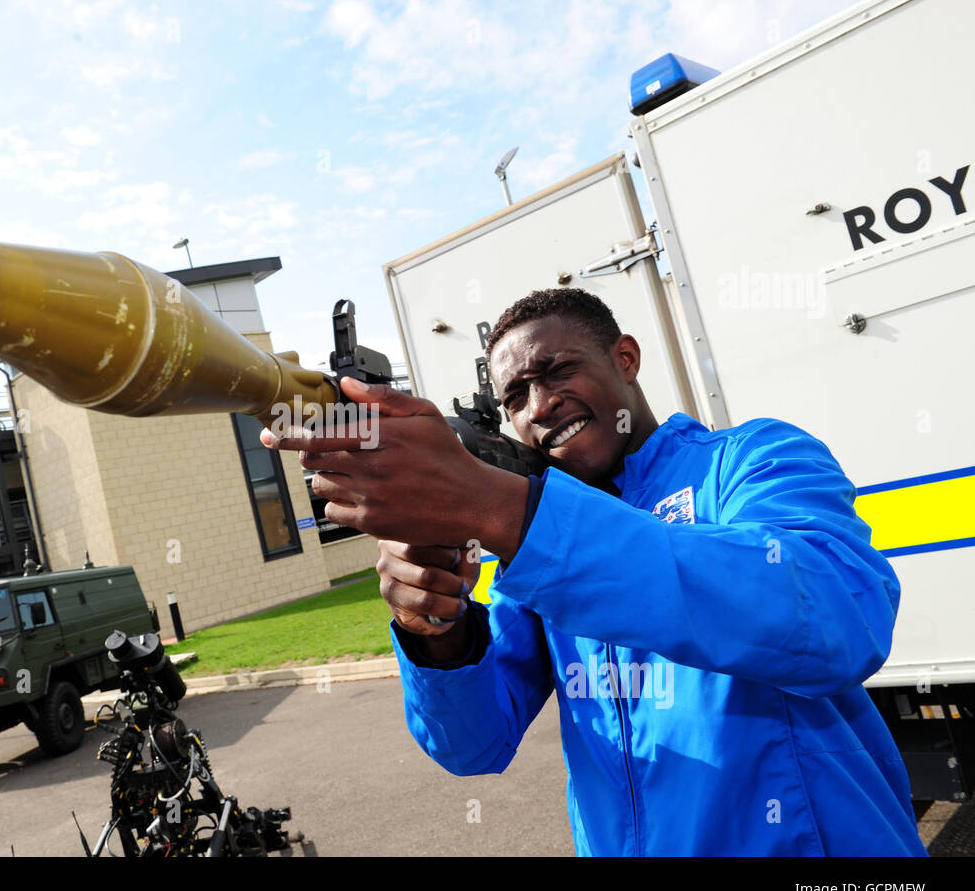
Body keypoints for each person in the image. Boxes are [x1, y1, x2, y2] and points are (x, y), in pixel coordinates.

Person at [262, 287, 927, 856]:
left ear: (626, 359)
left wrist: (503, 508)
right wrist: (436, 628)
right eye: (514, 396)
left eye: (557, 371)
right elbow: (474, 746)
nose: (538, 405)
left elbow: (836, 622)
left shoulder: (752, 456)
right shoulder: (538, 540)